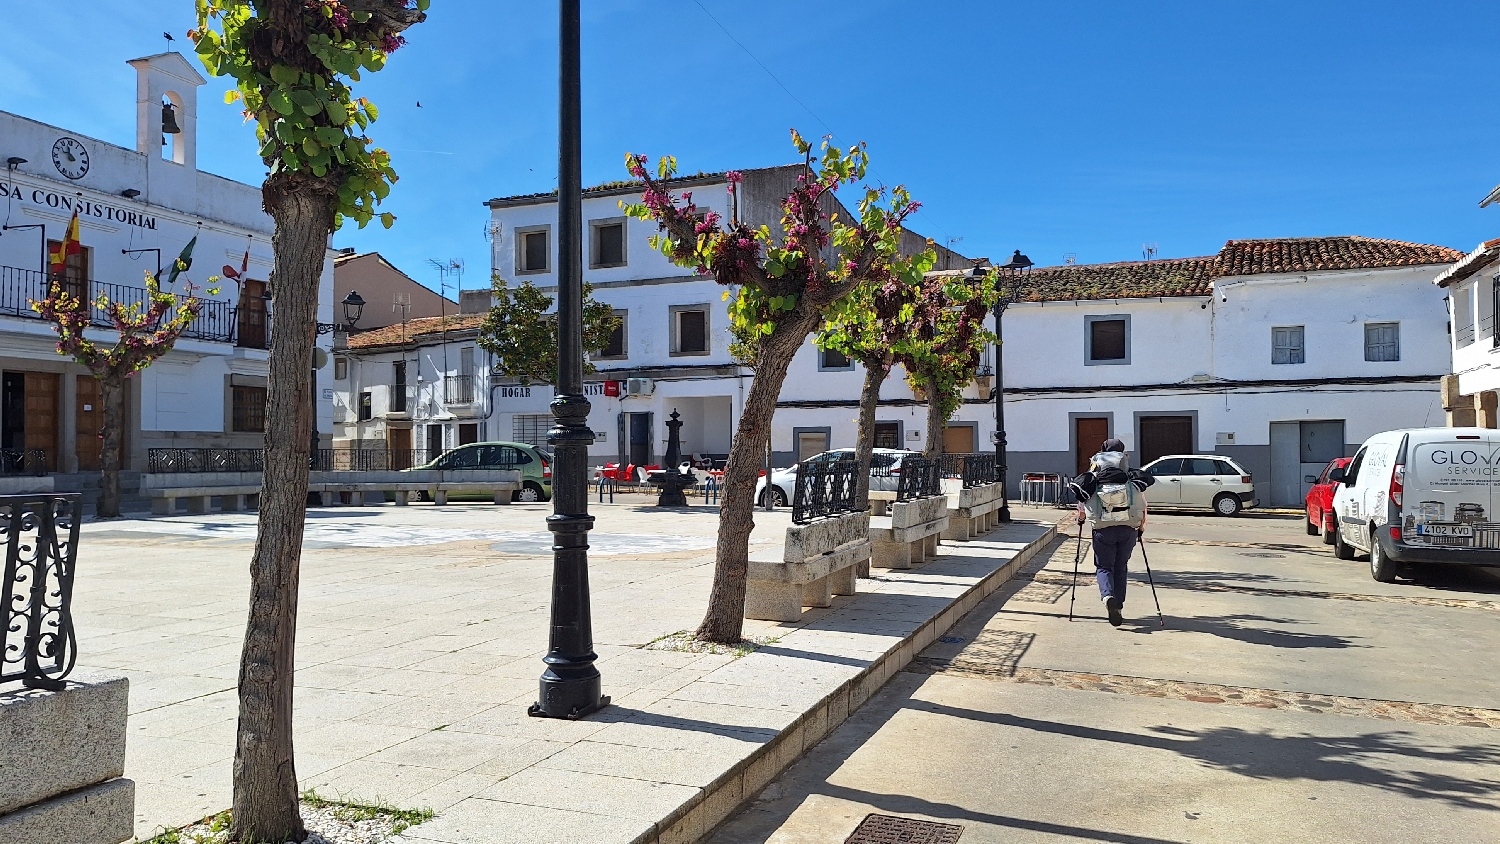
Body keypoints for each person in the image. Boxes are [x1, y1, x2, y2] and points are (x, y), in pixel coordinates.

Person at [1069, 438, 1154, 627]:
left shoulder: (1094, 478)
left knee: (1104, 567)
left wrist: (1081, 519)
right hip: (1128, 530)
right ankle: (1119, 606)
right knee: (1121, 567)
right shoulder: (1131, 478)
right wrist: (1140, 529)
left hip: (1102, 530)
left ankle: (1108, 596)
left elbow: (1082, 506)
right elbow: (1143, 505)